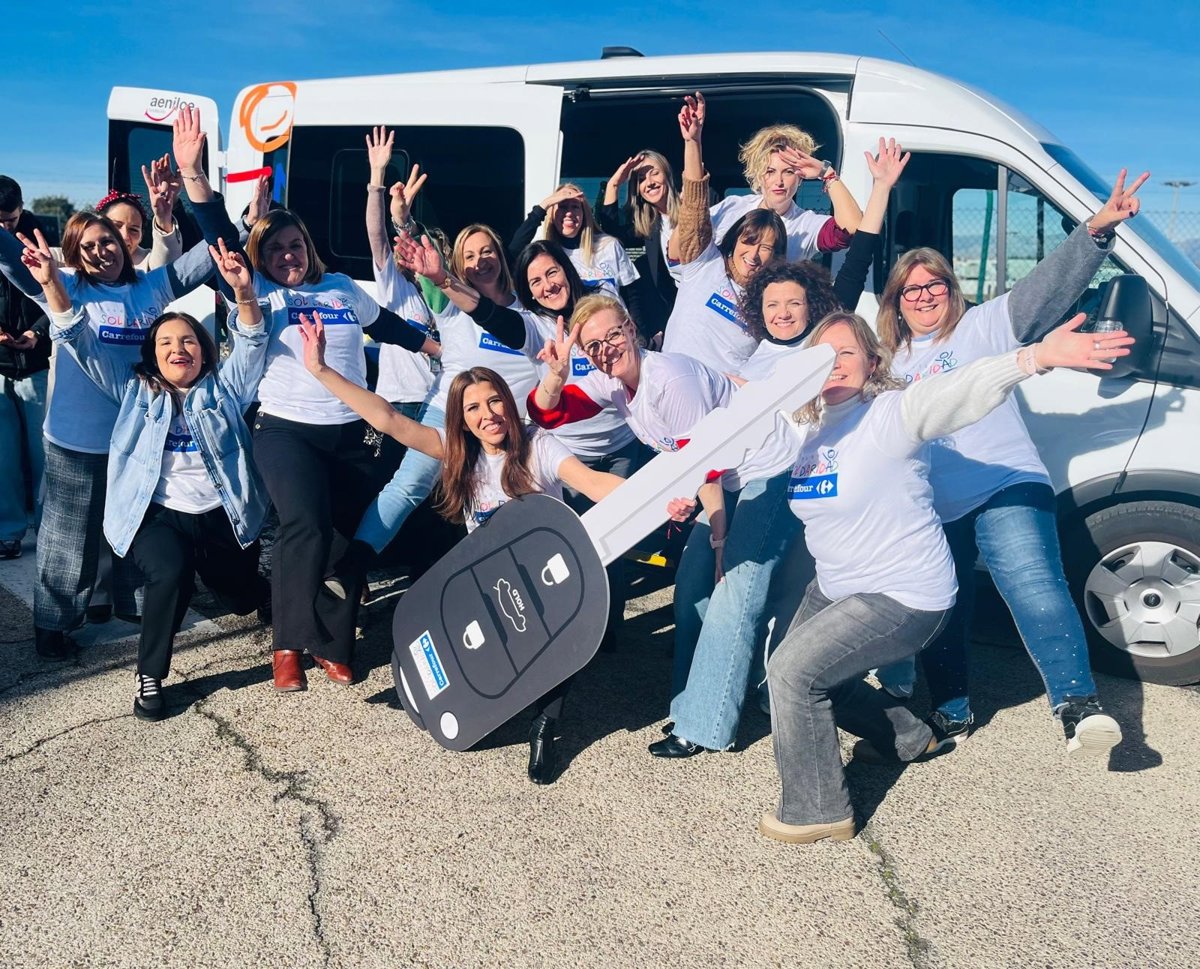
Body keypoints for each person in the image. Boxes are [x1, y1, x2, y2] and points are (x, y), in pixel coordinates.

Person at [699, 310, 1131, 844]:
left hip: (904, 595)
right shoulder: (807, 429)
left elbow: (960, 391)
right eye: (822, 356)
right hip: (836, 586)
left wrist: (1035, 358)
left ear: (872, 362)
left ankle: (818, 810)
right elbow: (734, 451)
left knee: (795, 675)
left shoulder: (891, 414)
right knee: (798, 674)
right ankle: (907, 737)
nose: (834, 364)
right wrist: (688, 488)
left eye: (846, 353)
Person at [869, 167, 1149, 759]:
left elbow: (1045, 287)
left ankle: (1077, 707)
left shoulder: (983, 325)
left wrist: (1096, 231)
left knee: (1033, 586)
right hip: (933, 504)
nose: (924, 296)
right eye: (911, 290)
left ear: (951, 290)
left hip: (1005, 484)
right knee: (943, 605)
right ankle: (952, 711)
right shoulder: (887, 361)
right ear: (895, 301)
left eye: (934, 285)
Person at [655, 138, 909, 759]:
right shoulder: (756, 349)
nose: (783, 312)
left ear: (812, 307)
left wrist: (877, 188)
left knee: (737, 596)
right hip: (731, 482)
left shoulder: (817, 345)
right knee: (693, 590)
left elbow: (860, 251)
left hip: (776, 484)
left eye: (794, 303)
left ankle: (704, 725)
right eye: (772, 304)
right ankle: (690, 698)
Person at [171, 106, 438, 690]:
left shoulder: (340, 288)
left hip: (351, 429)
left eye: (294, 245)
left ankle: (332, 645)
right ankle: (287, 646)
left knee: (348, 535)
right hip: (285, 431)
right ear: (262, 259)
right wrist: (195, 177)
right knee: (305, 524)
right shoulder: (259, 291)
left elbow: (388, 325)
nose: (287, 255)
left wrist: (436, 347)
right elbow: (220, 239)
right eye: (275, 249)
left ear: (307, 246)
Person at [298, 317, 623, 783]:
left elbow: (591, 483)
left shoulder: (538, 445)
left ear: (508, 403)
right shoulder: (459, 454)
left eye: (494, 401)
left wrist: (665, 498)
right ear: (462, 418)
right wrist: (321, 370)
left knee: (556, 641)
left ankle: (545, 725)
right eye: (473, 408)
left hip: (546, 583)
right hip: (490, 580)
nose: (487, 414)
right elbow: (389, 419)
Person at [22, 231, 269, 719]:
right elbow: (79, 342)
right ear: (151, 354)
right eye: (165, 342)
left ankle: (264, 596)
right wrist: (52, 286)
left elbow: (251, 340)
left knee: (239, 595)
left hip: (221, 515)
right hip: (160, 518)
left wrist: (243, 293)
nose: (178, 349)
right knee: (169, 573)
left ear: (204, 350)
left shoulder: (226, 388)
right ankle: (151, 675)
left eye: (188, 340)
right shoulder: (133, 390)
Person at [0, 173, 230, 661]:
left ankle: (137, 606)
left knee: (137, 526)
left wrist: (212, 202)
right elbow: (11, 260)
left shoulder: (152, 286)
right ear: (74, 254)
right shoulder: (62, 286)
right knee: (69, 538)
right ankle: (54, 623)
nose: (101, 251)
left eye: (107, 241)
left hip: (141, 439)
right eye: (88, 246)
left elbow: (214, 250)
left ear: (123, 245)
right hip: (77, 441)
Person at [660, 93, 786, 373]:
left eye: (766, 248)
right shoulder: (704, 264)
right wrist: (693, 142)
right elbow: (695, 207)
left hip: (725, 398)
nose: (754, 254)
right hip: (673, 385)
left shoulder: (770, 301)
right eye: (749, 242)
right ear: (733, 241)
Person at [710, 121, 862, 262]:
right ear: (758, 175)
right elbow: (697, 237)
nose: (779, 181)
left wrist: (827, 173)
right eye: (770, 171)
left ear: (800, 178)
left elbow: (852, 227)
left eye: (788, 172)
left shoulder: (806, 224)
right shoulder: (732, 206)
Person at [0, 176, 50, 560]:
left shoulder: (42, 235)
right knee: (3, 459)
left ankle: (51, 531)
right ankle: (8, 532)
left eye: (11, 219)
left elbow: (60, 294)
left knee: (44, 455)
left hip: (35, 364)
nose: (5, 227)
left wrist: (37, 332)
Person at [508, 184, 643, 323]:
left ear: (584, 213)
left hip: (618, 328)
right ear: (552, 214)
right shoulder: (548, 255)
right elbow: (513, 254)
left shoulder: (609, 245)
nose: (569, 213)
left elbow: (632, 297)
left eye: (575, 207)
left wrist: (640, 333)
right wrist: (543, 206)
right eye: (562, 206)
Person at [596, 150, 681, 340]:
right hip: (669, 322)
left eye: (655, 173)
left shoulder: (693, 211)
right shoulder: (644, 229)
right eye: (641, 179)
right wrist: (614, 184)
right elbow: (611, 235)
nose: (649, 182)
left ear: (667, 175)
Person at [94, 155, 184, 271]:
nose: (125, 237)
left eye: (134, 230)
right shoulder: (76, 265)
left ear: (141, 236)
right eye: (116, 226)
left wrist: (163, 218)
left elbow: (164, 264)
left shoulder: (147, 265)